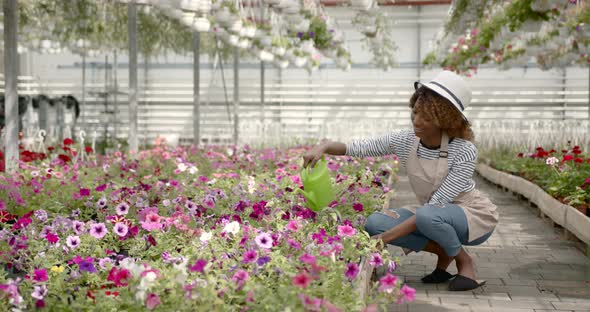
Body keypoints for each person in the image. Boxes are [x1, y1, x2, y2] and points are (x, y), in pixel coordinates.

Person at [302, 71, 499, 291]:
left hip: (469, 214)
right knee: (375, 223)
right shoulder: (404, 140)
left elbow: (438, 203)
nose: (416, 121)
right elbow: (359, 148)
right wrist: (324, 147)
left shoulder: (464, 150)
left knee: (425, 215)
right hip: (431, 214)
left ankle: (465, 262)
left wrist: (383, 239)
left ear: (445, 120)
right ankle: (444, 251)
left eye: (426, 117)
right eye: (415, 113)